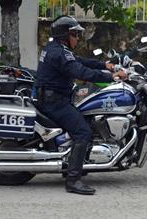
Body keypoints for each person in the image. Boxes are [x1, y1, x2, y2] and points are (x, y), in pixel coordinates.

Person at [35, 15, 126, 195]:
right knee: (83, 132)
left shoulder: (57, 49)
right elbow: (80, 71)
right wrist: (112, 77)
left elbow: (80, 61)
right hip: (55, 102)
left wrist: (105, 65)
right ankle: (73, 180)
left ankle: (75, 163)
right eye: (75, 34)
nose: (78, 38)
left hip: (55, 98)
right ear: (65, 35)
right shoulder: (58, 52)